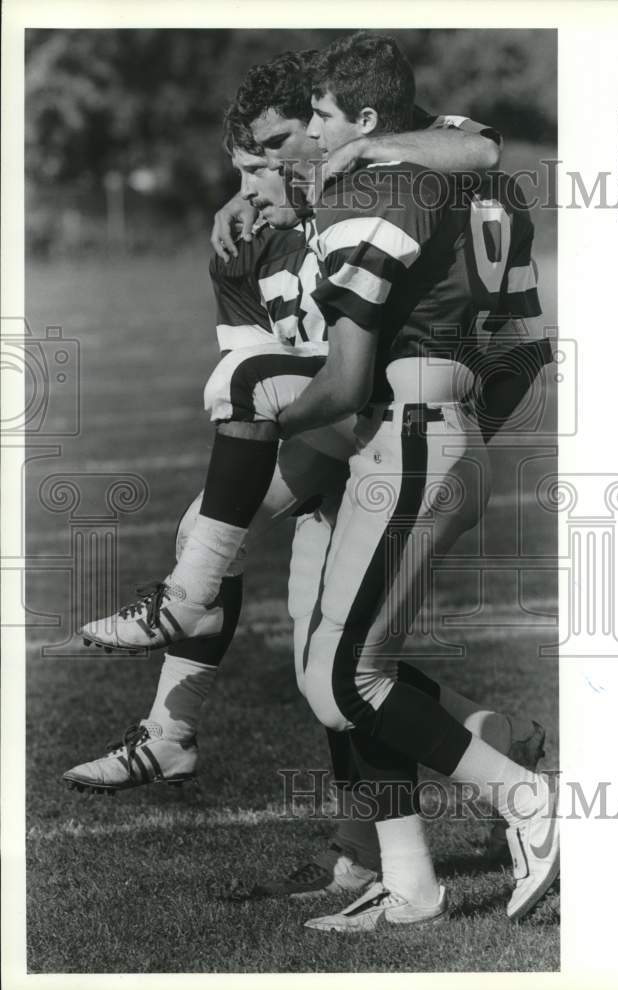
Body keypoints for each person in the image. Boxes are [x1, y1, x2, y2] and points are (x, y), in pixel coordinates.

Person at [65, 43, 548, 898]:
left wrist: (435, 437)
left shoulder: (386, 179)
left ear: (344, 125)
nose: (261, 177)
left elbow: (477, 154)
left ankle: (176, 712)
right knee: (332, 675)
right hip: (361, 434)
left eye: (284, 143)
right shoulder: (260, 230)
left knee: (338, 665)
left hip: (387, 425)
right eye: (245, 165)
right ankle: (396, 861)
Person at [259, 31, 559, 931]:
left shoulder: (381, 187)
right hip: (434, 435)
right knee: (338, 674)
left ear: (367, 118)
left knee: (349, 679)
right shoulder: (484, 184)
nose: (313, 136)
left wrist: (257, 426)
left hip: (407, 438)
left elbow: (345, 377)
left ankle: (524, 796)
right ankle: (414, 878)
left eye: (320, 117)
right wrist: (464, 435)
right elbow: (523, 353)